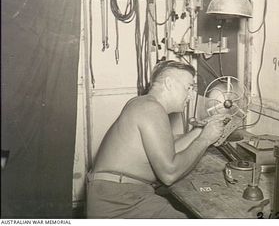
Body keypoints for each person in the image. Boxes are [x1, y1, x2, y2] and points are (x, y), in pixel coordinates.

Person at [86, 60, 224, 218]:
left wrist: (200, 131)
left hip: (115, 194)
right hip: (119, 200)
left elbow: (169, 151)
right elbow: (169, 174)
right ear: (169, 83)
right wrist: (205, 139)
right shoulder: (151, 108)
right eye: (188, 87)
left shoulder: (144, 104)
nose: (191, 95)